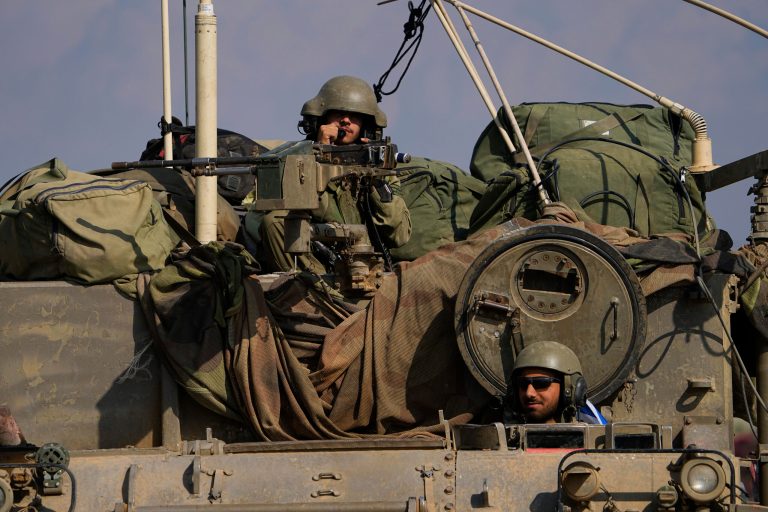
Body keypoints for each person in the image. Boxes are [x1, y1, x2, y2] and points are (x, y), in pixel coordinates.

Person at [251, 75, 412, 276]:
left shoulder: (380, 169)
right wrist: (318, 155)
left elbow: (399, 235)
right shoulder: (299, 157)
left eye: (355, 116)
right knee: (275, 221)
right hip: (314, 264)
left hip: (361, 264)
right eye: (338, 113)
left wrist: (375, 180)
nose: (345, 120)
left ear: (367, 126)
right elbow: (273, 213)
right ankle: (314, 289)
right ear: (321, 118)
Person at [507, 340, 604, 424]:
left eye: (541, 383)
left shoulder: (600, 440)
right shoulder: (499, 438)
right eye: (522, 384)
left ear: (569, 390)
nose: (529, 393)